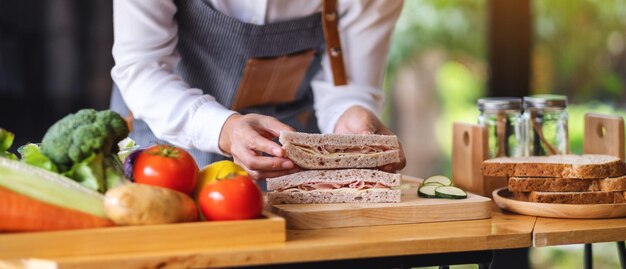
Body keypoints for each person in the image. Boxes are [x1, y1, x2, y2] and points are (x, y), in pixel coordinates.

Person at [110, 0, 406, 179]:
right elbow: (141, 67)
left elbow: (347, 84)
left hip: (286, 167)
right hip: (162, 157)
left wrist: (350, 116)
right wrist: (226, 129)